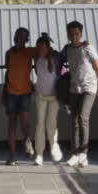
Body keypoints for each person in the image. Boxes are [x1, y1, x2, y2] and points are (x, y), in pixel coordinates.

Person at [62, 20, 98, 169]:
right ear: (67, 35)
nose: (74, 36)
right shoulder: (67, 49)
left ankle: (84, 153)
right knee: (73, 119)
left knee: (83, 117)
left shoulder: (87, 48)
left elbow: (97, 66)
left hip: (89, 86)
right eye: (71, 34)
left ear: (81, 34)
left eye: (77, 34)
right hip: (74, 88)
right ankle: (74, 154)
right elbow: (59, 61)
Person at [0, 27, 36, 165]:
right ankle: (12, 155)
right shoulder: (9, 53)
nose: (18, 38)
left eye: (22, 36)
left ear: (26, 40)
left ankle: (27, 140)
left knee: (25, 122)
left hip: (25, 92)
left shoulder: (30, 52)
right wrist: (4, 92)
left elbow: (46, 51)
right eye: (17, 35)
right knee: (12, 124)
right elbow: (8, 72)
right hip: (11, 93)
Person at [30, 34, 63, 166]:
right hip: (41, 96)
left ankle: (54, 146)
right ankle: (39, 154)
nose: (41, 51)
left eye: (44, 48)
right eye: (39, 48)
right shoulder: (36, 57)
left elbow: (67, 53)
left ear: (49, 48)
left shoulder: (56, 57)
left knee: (51, 123)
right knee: (40, 124)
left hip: (54, 96)